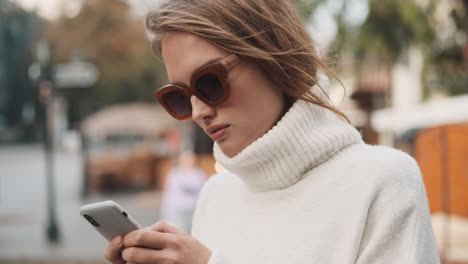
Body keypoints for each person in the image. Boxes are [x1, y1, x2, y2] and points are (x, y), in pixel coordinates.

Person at [104, 0, 440, 263]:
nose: (198, 112)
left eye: (209, 82)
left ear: (271, 59)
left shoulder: (384, 180)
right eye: (178, 97)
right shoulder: (216, 195)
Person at [159, 151, 206, 233]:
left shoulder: (199, 174)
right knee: (180, 231)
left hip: (194, 209)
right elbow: (169, 194)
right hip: (178, 209)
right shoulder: (174, 174)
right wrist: (165, 213)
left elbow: (203, 193)